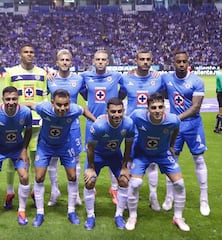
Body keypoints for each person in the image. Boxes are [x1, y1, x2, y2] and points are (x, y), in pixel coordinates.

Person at [23, 89, 96, 227]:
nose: (63, 108)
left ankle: (71, 211)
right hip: (45, 146)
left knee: (73, 176)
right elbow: (29, 104)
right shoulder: (44, 108)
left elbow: (84, 110)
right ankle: (40, 213)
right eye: (59, 105)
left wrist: (96, 121)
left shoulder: (74, 109)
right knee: (39, 177)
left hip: (65, 145)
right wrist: (11, 106)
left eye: (66, 105)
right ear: (52, 103)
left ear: (69, 103)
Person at [126, 93, 190, 232]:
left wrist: (171, 146)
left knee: (179, 184)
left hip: (162, 153)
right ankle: (132, 216)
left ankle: (178, 218)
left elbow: (176, 129)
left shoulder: (173, 120)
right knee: (135, 183)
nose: (157, 110)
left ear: (164, 107)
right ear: (147, 109)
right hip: (142, 153)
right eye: (153, 107)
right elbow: (126, 124)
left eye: (160, 107)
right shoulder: (138, 115)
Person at [161, 50, 210, 216]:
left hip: (193, 125)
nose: (181, 64)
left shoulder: (197, 81)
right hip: (176, 128)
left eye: (184, 61)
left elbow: (196, 107)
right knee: (171, 160)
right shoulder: (167, 79)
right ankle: (169, 197)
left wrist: (176, 118)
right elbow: (157, 90)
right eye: (178, 62)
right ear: (173, 63)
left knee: (199, 159)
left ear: (188, 62)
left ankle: (204, 199)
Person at [120, 50, 164, 211]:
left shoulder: (158, 79)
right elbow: (119, 96)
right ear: (136, 61)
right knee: (130, 162)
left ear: (152, 61)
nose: (145, 62)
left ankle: (153, 196)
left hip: (152, 128)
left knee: (152, 163)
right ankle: (127, 198)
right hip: (133, 128)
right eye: (142, 59)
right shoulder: (126, 78)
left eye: (148, 59)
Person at [4, 43, 48, 209]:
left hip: (37, 122)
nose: (29, 54)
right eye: (26, 52)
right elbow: (6, 96)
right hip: (17, 121)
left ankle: (34, 192)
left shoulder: (42, 73)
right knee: (13, 158)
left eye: (31, 52)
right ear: (20, 54)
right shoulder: (11, 73)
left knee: (35, 158)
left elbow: (44, 97)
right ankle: (10, 191)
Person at [80, 49, 126, 205]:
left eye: (103, 59)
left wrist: (115, 102)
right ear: (93, 61)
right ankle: (91, 186)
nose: (100, 62)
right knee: (91, 152)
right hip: (92, 123)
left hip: (112, 123)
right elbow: (81, 90)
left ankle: (114, 188)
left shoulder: (116, 76)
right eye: (97, 59)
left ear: (108, 61)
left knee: (113, 151)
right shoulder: (85, 76)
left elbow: (125, 90)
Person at [0, 86, 32, 228]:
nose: (11, 102)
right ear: (3, 100)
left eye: (14, 99)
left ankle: (22, 210)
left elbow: (28, 130)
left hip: (17, 149)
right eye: (8, 99)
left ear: (18, 99)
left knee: (24, 176)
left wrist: (24, 149)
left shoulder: (25, 112)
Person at [83, 98, 135, 230]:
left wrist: (124, 167)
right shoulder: (99, 126)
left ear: (123, 110)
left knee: (124, 180)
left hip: (114, 155)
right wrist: (90, 167)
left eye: (119, 111)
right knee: (90, 182)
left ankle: (119, 215)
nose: (116, 115)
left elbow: (128, 145)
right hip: (97, 156)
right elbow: (90, 148)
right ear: (107, 112)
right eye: (113, 112)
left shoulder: (128, 124)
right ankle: (90, 216)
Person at [46, 49, 83, 206]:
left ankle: (76, 194)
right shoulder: (49, 79)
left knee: (76, 159)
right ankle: (54, 191)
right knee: (52, 159)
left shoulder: (79, 79)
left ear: (71, 63)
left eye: (68, 60)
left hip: (73, 126)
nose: (65, 62)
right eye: (62, 60)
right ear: (57, 63)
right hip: (54, 125)